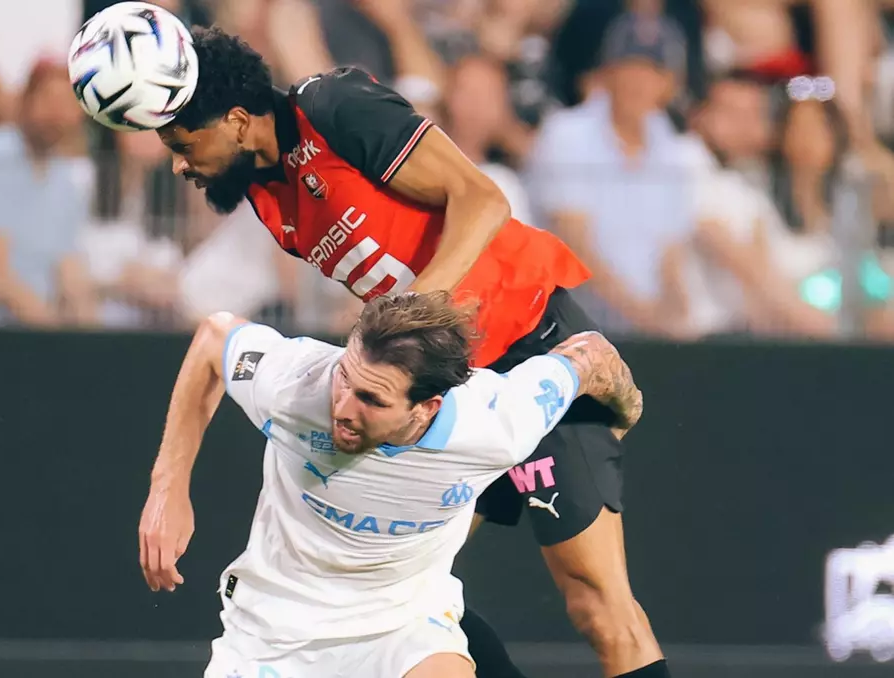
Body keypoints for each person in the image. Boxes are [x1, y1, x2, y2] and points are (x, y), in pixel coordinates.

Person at [153, 25, 672, 678]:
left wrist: (406, 322)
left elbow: (481, 199)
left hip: (526, 346)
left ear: (235, 120)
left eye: (183, 144)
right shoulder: (266, 194)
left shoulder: (333, 107)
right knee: (395, 593)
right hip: (435, 390)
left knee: (599, 608)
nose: (179, 164)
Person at [140, 291, 643, 678]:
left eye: (371, 400)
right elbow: (214, 337)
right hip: (275, 625)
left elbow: (590, 356)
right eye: (345, 378)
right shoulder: (296, 382)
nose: (342, 407)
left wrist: (624, 414)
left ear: (427, 407)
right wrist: (168, 488)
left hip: (406, 623)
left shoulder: (496, 423)